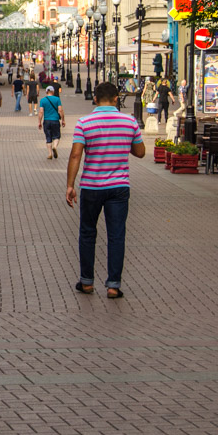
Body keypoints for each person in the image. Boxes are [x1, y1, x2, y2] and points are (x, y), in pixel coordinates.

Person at [65, 81, 144, 300]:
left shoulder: (84, 123)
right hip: (119, 187)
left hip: (91, 187)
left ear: (95, 99)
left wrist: (70, 185)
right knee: (117, 235)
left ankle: (87, 282)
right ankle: (113, 286)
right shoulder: (129, 122)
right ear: (117, 98)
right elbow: (140, 152)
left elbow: (75, 155)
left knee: (88, 233)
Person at [37, 85, 63, 160]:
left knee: (48, 137)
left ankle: (49, 154)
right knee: (57, 136)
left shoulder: (43, 100)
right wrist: (63, 120)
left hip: (47, 121)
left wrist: (39, 121)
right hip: (55, 120)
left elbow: (41, 112)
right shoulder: (57, 99)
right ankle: (54, 146)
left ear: (46, 92)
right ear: (53, 91)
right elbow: (60, 110)